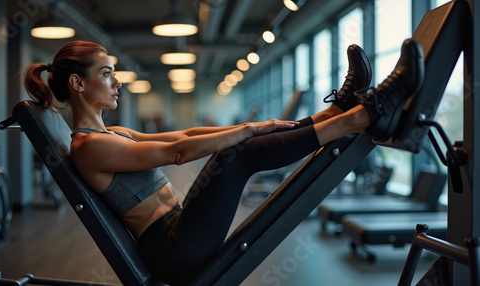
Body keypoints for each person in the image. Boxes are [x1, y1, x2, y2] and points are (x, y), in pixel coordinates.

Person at [22, 39, 423, 285]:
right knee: (236, 154)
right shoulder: (88, 147)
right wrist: (243, 134)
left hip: (180, 232)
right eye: (107, 73)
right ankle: (368, 113)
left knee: (238, 144)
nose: (117, 82)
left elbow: (183, 137)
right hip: (174, 250)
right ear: (78, 84)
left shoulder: (113, 134)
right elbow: (177, 155)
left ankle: (336, 112)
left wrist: (252, 124)